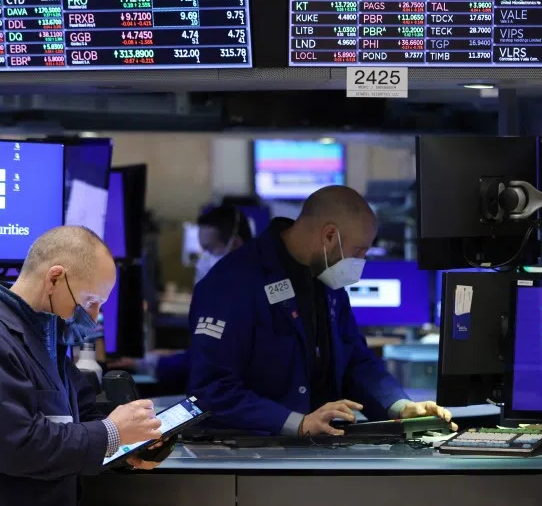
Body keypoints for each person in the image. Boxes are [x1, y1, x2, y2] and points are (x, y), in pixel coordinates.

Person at [188, 186, 456, 436]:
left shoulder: (327, 277)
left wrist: (399, 407)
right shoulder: (232, 282)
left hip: (318, 448)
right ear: (329, 236)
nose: (361, 262)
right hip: (248, 452)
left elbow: (354, 360)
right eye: (359, 251)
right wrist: (297, 423)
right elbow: (211, 389)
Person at [0, 226, 165, 506]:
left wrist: (129, 441)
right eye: (90, 302)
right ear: (54, 278)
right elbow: (20, 447)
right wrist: (112, 433)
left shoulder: (46, 339)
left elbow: (82, 416)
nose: (93, 317)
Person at [110, 205, 252, 392]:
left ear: (234, 245)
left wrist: (148, 362)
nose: (203, 260)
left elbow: (203, 363)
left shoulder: (239, 298)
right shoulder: (241, 287)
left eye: (209, 250)